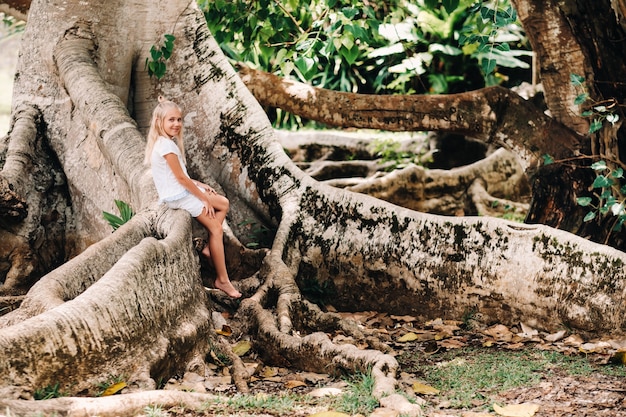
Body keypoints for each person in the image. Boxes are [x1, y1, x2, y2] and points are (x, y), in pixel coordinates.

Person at [145, 96, 242, 298]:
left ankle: (209, 248)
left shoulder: (165, 143)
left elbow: (180, 175)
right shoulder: (166, 146)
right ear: (159, 122)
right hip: (177, 196)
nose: (176, 124)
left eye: (179, 119)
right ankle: (222, 280)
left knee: (223, 203)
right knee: (216, 227)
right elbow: (180, 178)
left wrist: (200, 185)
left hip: (180, 190)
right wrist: (203, 198)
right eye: (171, 120)